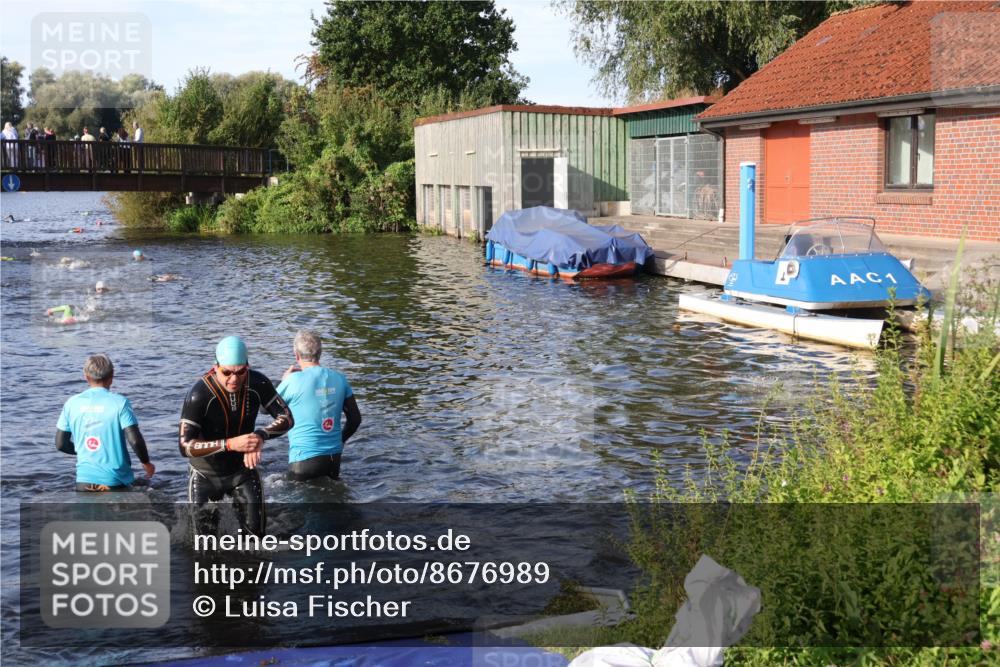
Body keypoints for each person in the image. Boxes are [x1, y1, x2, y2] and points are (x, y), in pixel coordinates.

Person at [178, 336, 293, 536]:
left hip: (242, 471)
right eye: (227, 372)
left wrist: (260, 436)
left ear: (247, 367)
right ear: (215, 367)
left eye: (241, 372)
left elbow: (287, 418)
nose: (234, 379)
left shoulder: (257, 383)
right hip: (206, 475)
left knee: (256, 540)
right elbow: (185, 446)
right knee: (204, 550)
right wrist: (230, 444)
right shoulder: (199, 394)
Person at [55, 354, 155, 491]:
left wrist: (86, 451)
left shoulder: (71, 403)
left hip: (83, 482)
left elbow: (61, 444)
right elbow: (135, 440)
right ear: (112, 376)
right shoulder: (120, 403)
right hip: (115, 481)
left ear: (85, 376)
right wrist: (146, 463)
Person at [277, 330, 361, 481]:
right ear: (320, 353)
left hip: (303, 461)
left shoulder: (292, 381)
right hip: (334, 459)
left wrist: (283, 381)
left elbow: (265, 408)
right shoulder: (340, 379)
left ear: (296, 355)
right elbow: (355, 420)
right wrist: (340, 440)